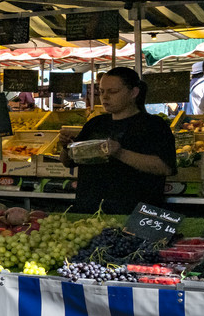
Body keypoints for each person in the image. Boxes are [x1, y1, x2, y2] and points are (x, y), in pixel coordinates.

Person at [60, 66, 176, 215]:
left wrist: (119, 153)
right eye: (101, 91)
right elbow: (67, 161)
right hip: (88, 211)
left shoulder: (154, 125)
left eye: (113, 92)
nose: (105, 97)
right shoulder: (95, 123)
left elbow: (165, 167)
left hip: (133, 214)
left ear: (134, 92)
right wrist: (66, 147)